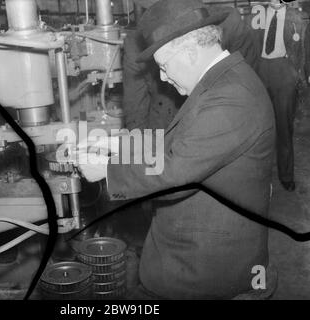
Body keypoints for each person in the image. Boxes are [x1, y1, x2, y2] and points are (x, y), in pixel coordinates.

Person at [78, 0, 275, 299]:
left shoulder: (231, 97)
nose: (162, 78)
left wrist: (106, 172)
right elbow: (184, 144)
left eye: (164, 66)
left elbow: (176, 174)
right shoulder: (220, 84)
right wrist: (118, 144)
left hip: (207, 271)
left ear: (191, 51)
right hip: (192, 254)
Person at [123, 0, 262, 131]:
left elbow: (246, 87)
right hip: (164, 131)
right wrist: (141, 149)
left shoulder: (229, 23)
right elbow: (135, 109)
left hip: (222, 124)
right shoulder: (137, 42)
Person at [250, 0, 309, 191]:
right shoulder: (257, 14)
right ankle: (256, 175)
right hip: (260, 70)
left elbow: (303, 51)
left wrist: (298, 76)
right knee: (258, 127)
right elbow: (248, 45)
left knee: (284, 128)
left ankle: (286, 175)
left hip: (284, 72)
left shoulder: (295, 17)